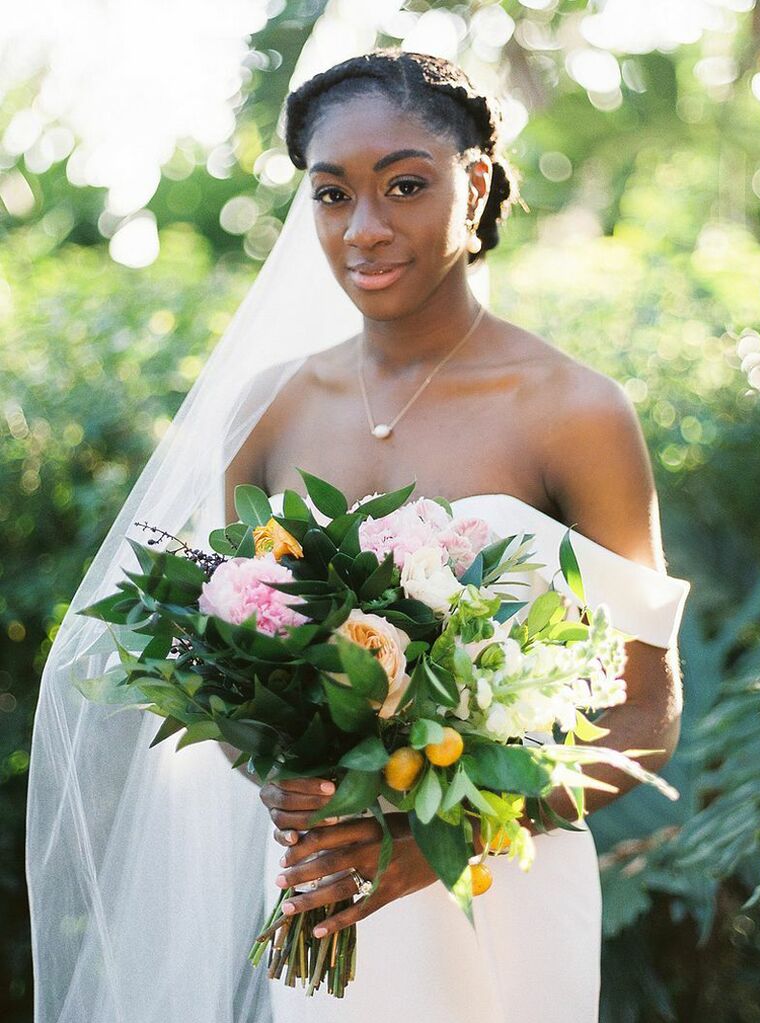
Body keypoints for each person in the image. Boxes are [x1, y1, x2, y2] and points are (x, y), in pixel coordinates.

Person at [25, 47, 690, 1023]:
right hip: (324, 889)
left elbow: (645, 717)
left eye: (404, 186)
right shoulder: (269, 407)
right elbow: (243, 651)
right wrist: (276, 770)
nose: (365, 229)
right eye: (332, 195)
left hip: (501, 887)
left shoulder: (576, 413)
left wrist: (433, 843)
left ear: (474, 184)